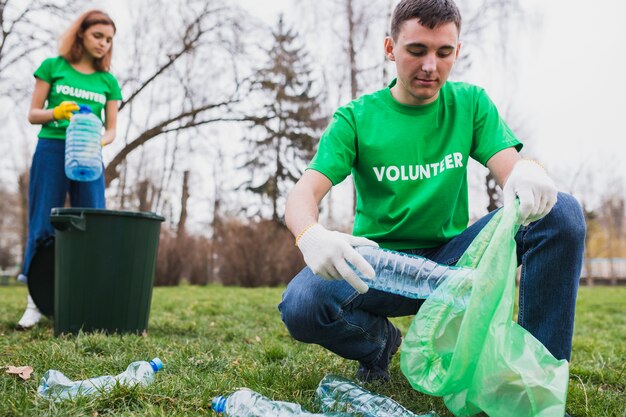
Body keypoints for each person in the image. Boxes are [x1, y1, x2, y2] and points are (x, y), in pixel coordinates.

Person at [279, 0, 584, 408]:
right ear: (390, 48)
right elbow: (303, 193)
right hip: (379, 267)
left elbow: (512, 167)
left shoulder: (470, 104)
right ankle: (379, 345)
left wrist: (527, 171)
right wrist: (310, 234)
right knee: (301, 304)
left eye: (444, 53)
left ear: (457, 52)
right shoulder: (355, 118)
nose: (430, 66)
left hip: (453, 265)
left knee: (561, 212)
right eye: (416, 50)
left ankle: (533, 379)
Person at [16, 10, 122, 329]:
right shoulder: (53, 67)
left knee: (93, 222)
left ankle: (90, 302)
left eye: (109, 40)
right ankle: (35, 303)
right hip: (51, 148)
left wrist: (96, 142)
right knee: (43, 221)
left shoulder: (108, 81)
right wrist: (56, 113)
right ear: (80, 34)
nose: (103, 44)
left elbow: (112, 130)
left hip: (88, 155)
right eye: (97, 36)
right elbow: (33, 114)